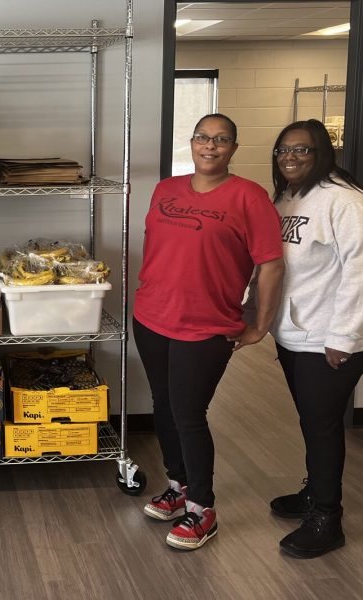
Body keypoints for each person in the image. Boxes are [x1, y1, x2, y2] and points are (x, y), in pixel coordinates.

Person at [133, 114, 284, 550]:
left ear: (233, 148)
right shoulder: (166, 189)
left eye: (221, 139)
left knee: (188, 414)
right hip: (151, 316)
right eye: (203, 137)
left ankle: (202, 509)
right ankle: (178, 486)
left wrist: (261, 325)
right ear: (192, 142)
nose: (210, 146)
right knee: (163, 405)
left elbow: (271, 264)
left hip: (205, 325)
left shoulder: (249, 197)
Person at [265, 119, 363, 558]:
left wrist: (343, 336)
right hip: (294, 333)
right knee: (311, 421)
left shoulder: (344, 201)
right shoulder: (286, 197)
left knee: (322, 426)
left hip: (329, 337)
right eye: (283, 149)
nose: (290, 156)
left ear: (322, 152)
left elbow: (360, 273)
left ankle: (327, 518)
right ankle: (314, 493)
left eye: (302, 149)